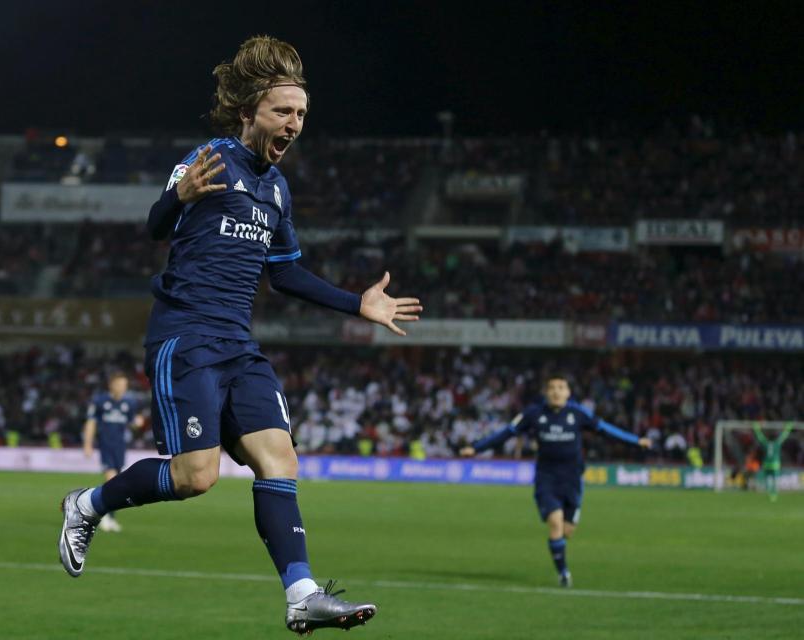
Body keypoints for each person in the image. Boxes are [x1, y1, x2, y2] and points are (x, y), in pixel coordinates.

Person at [58, 35, 422, 635]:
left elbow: (283, 272)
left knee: (279, 457)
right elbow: (155, 225)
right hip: (187, 336)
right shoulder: (211, 158)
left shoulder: (277, 190)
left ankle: (301, 593)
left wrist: (355, 303)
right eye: (284, 111)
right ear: (249, 110)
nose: (295, 123)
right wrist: (178, 196)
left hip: (238, 345)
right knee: (195, 478)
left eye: (301, 114)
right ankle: (87, 505)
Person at [460, 374, 651, 587]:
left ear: (568, 393)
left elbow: (606, 430)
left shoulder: (577, 413)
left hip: (573, 480)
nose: (556, 392)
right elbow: (506, 433)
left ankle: (559, 553)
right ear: (545, 392)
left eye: (561, 387)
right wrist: (476, 448)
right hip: (546, 479)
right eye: (552, 388)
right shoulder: (533, 414)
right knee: (555, 523)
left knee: (566, 531)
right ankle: (563, 574)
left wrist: (635, 441)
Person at [82, 371, 144, 532]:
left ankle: (107, 517)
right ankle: (104, 516)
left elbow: (131, 424)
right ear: (112, 385)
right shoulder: (100, 401)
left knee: (116, 484)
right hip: (106, 447)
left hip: (120, 448)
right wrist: (88, 444)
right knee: (112, 481)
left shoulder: (129, 403)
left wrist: (137, 424)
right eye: (120, 385)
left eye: (125, 385)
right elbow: (91, 423)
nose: (123, 388)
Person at [752, 422, 793, 502]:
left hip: (766, 464)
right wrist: (788, 428)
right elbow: (783, 437)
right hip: (775, 464)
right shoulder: (777, 443)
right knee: (775, 480)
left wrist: (756, 429)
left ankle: (769, 492)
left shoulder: (766, 443)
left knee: (767, 479)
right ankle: (774, 494)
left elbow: (760, 437)